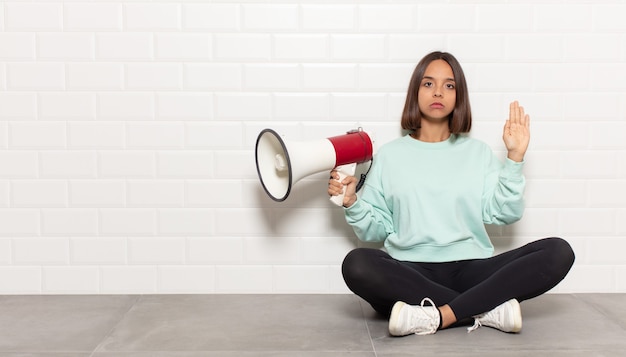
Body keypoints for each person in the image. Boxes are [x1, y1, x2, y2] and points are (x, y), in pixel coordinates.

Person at [328, 51, 575, 336]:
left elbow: (505, 214)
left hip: (473, 271)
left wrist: (514, 158)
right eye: (428, 83)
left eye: (449, 86)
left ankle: (434, 314)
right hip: (411, 272)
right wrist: (352, 202)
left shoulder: (478, 153)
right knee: (357, 264)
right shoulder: (389, 155)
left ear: (459, 96)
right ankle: (483, 309)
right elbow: (376, 232)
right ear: (415, 92)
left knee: (558, 251)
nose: (438, 92)